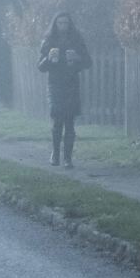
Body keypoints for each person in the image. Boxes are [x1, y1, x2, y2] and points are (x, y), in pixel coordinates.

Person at [36, 9, 92, 168]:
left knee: (70, 122)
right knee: (57, 120)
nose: (63, 26)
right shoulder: (48, 41)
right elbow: (40, 67)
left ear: (70, 24)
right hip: (55, 85)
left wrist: (77, 58)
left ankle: (68, 158)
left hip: (72, 84)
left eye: (66, 22)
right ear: (55, 24)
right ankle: (55, 154)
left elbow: (88, 62)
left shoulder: (77, 40)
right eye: (60, 23)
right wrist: (49, 58)